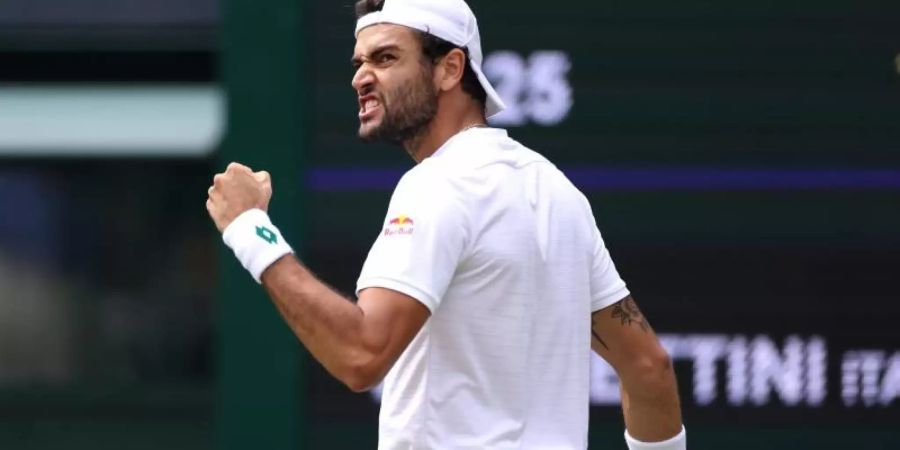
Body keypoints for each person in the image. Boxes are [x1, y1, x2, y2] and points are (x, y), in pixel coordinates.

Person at [205, 0, 685, 448]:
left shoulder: (439, 185)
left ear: (450, 68)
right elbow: (649, 368)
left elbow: (360, 356)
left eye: (386, 58)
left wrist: (249, 228)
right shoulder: (562, 195)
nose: (361, 78)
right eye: (359, 63)